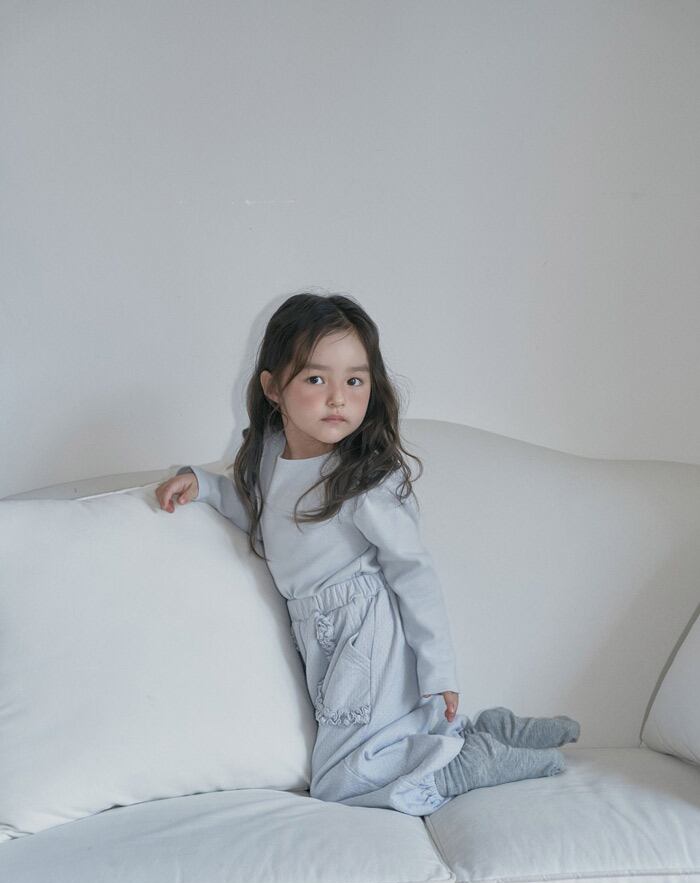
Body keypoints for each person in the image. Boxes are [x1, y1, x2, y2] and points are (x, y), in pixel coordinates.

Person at [155, 292, 580, 816]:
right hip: (321, 631)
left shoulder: (362, 483)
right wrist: (203, 486)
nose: (338, 398)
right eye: (316, 379)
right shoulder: (269, 453)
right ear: (273, 389)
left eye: (354, 381)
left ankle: (463, 764)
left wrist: (438, 671)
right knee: (386, 737)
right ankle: (485, 731)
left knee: (340, 780)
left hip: (362, 630)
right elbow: (262, 515)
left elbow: (414, 575)